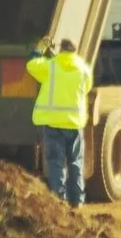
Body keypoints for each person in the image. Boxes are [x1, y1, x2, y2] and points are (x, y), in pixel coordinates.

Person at [26, 37, 92, 209]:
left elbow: (31, 66)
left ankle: (58, 204)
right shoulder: (84, 69)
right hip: (75, 124)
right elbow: (86, 88)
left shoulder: (50, 66)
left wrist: (38, 50)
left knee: (56, 165)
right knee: (75, 163)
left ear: (61, 49)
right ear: (75, 51)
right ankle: (77, 203)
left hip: (53, 124)